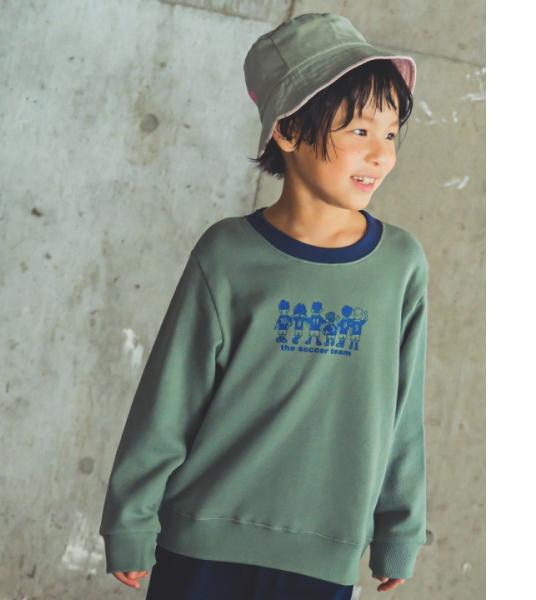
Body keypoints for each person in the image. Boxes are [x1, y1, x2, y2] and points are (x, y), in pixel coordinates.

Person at [99, 12, 429, 599]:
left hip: (324, 554)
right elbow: (169, 399)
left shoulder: (399, 264)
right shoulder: (227, 254)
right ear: (288, 130)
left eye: (390, 134)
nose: (380, 154)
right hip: (199, 543)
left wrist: (400, 530)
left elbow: (403, 413)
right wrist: (130, 520)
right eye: (359, 131)